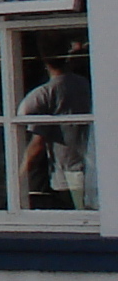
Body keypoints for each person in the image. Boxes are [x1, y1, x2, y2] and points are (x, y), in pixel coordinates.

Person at [18, 51, 93, 210]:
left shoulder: (44, 94)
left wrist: (19, 178)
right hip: (88, 166)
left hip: (69, 173)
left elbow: (37, 144)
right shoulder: (84, 84)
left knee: (81, 220)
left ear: (45, 64)